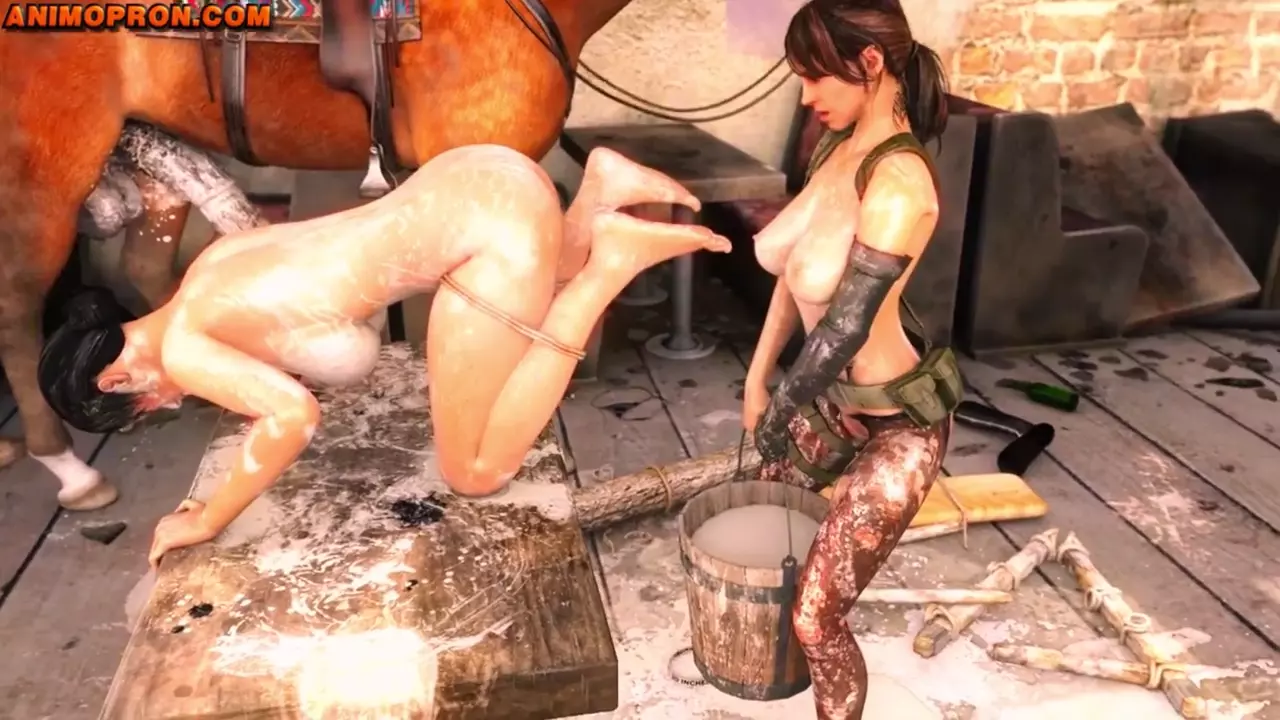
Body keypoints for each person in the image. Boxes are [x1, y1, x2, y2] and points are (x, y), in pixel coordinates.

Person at [38, 144, 730, 567]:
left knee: (475, 471)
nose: (172, 401)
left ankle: (611, 263)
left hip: (491, 230)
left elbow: (291, 418)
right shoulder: (209, 271)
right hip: (478, 173)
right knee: (541, 268)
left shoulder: (184, 348)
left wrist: (206, 518)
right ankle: (600, 188)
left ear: (118, 377)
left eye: (149, 407)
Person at [740, 2, 961, 718]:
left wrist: (781, 408)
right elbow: (793, 273)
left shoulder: (899, 185)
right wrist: (756, 379)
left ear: (870, 63)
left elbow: (843, 326)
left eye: (816, 77)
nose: (806, 96)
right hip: (828, 402)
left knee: (816, 617)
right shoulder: (833, 150)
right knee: (759, 526)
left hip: (898, 425)